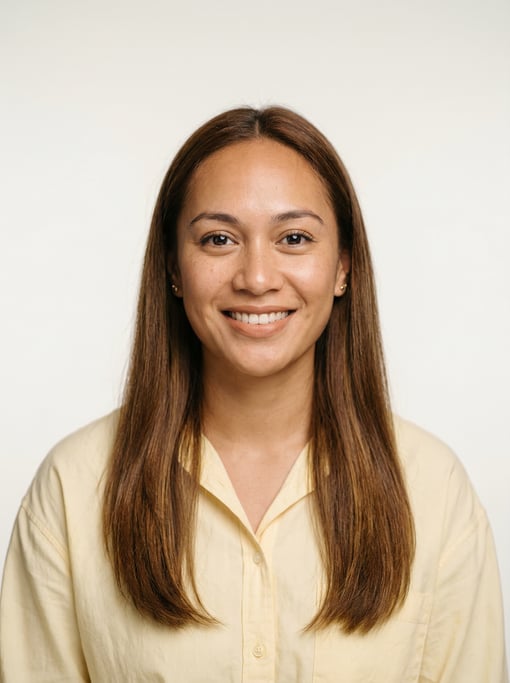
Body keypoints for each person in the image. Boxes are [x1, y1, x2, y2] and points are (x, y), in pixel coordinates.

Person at [0, 106, 507, 682]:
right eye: (218, 239)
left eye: (294, 238)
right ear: (173, 267)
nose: (257, 277)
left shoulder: (434, 491)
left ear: (342, 266)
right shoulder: (73, 489)